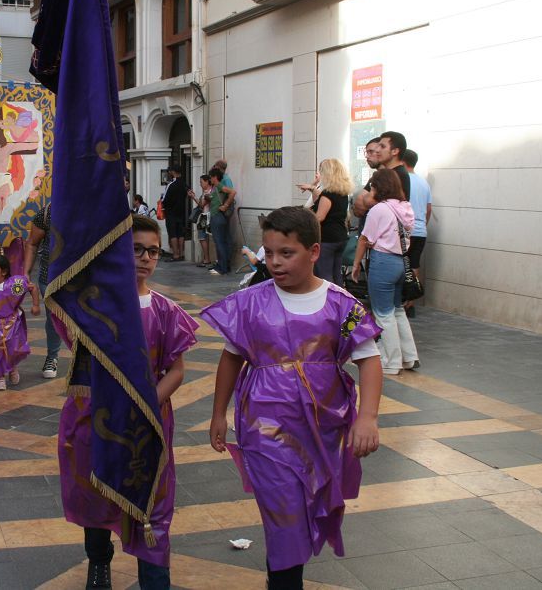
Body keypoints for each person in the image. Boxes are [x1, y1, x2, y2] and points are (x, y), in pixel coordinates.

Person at [203, 206, 383, 590]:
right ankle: (285, 582)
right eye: (268, 253)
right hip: (264, 427)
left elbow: (369, 359)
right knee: (282, 509)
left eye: (287, 253)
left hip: (323, 428)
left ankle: (281, 574)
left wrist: (367, 418)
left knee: (304, 506)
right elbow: (231, 357)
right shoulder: (250, 302)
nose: (275, 262)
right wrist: (219, 413)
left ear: (314, 251)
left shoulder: (344, 305)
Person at [58, 215, 197, 590]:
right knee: (95, 490)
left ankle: (155, 580)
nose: (145, 258)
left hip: (146, 423)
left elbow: (177, 370)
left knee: (153, 501)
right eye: (135, 249)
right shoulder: (90, 307)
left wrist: (145, 404)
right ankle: (99, 565)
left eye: (152, 250)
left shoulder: (166, 311)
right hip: (96, 417)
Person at [352, 168, 419, 374]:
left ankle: (392, 361)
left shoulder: (380, 210)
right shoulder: (405, 207)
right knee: (398, 310)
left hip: (383, 262)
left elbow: (365, 239)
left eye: (372, 186)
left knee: (383, 314)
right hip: (400, 262)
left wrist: (356, 264)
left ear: (378, 187)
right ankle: (409, 356)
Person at [0, 254, 39, 390]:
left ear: (3, 272)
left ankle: (12, 367)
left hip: (12, 323)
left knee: (13, 348)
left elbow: (32, 287)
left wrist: (36, 305)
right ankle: (0, 376)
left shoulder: (14, 285)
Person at [300, 158, 353, 286]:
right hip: (340, 237)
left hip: (327, 239)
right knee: (336, 274)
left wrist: (303, 226)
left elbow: (320, 217)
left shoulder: (328, 194)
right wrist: (313, 187)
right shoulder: (342, 193)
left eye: (322, 171)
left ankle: (327, 303)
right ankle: (339, 302)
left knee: (324, 275)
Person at [23, 201, 61, 378]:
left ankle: (85, 360)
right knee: (54, 319)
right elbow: (32, 243)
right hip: (50, 276)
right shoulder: (46, 213)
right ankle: (52, 357)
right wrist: (26, 273)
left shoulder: (86, 210)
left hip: (80, 277)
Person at [402, 149, 432, 284]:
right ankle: (412, 298)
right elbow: (429, 209)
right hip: (420, 231)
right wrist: (422, 225)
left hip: (405, 230)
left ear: (402, 161)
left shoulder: (403, 179)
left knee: (402, 264)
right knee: (414, 264)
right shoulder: (424, 183)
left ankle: (401, 297)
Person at [207, 167, 237, 276]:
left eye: (210, 177)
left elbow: (233, 192)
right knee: (221, 242)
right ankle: (222, 265)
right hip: (218, 217)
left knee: (219, 243)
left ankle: (223, 268)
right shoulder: (215, 187)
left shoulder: (219, 185)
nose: (210, 179)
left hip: (218, 216)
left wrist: (225, 205)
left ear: (214, 177)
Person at [161, 164, 188, 262]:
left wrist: (163, 203)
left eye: (170, 171)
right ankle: (181, 254)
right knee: (180, 233)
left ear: (173, 172)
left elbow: (165, 199)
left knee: (172, 233)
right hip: (181, 211)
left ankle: (175, 254)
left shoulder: (171, 184)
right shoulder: (184, 183)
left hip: (171, 211)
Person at [187, 174, 213, 268]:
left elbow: (202, 205)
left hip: (205, 217)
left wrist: (193, 197)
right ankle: (207, 259)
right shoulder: (206, 191)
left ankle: (207, 259)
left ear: (207, 182)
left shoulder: (208, 192)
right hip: (205, 216)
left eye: (201, 182)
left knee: (202, 238)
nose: (200, 184)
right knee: (203, 238)